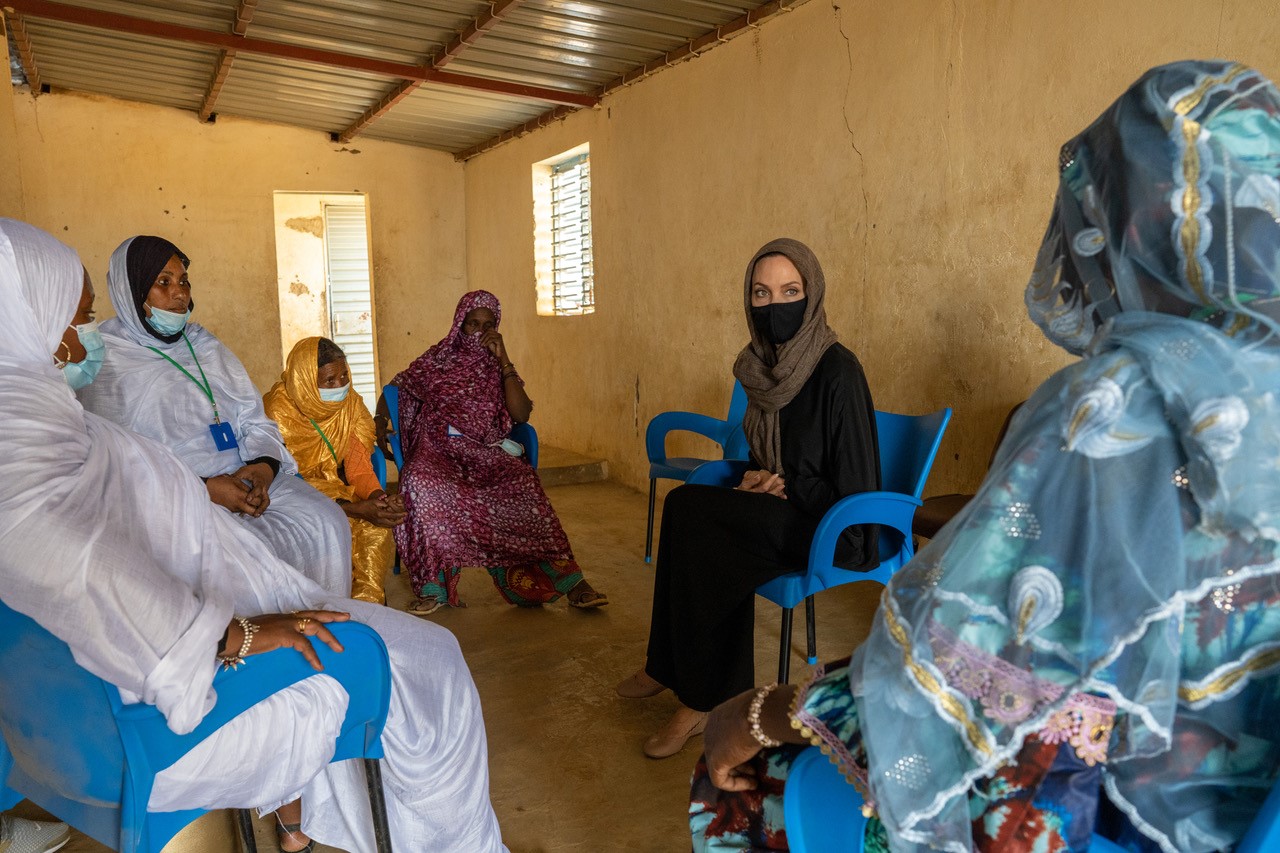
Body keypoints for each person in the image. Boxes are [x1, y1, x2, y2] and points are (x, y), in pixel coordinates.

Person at [689, 60, 1280, 852]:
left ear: (1130, 227)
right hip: (1243, 811)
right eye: (762, 292)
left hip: (1120, 812)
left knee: (739, 779)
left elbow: (955, 678)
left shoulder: (1112, 413)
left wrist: (765, 712)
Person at [0, 219, 506, 851]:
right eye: (76, 321)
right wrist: (240, 634)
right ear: (24, 322)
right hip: (153, 722)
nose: (83, 344)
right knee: (434, 664)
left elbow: (198, 450)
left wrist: (249, 473)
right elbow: (70, 561)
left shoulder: (32, 425)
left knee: (324, 538)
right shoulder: (27, 463)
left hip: (62, 720)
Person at [617, 238, 881, 759]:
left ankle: (707, 701)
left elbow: (856, 488)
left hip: (836, 526)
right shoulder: (763, 368)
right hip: (787, 506)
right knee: (685, 505)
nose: (774, 305)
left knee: (711, 533)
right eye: (761, 293)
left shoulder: (837, 371)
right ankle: (665, 663)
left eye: (790, 290)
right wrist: (760, 477)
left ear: (812, 293)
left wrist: (786, 484)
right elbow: (775, 460)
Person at [77, 236, 352, 597]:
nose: (180, 294)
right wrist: (202, 488)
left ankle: (325, 633)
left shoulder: (205, 345)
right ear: (133, 289)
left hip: (246, 478)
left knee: (327, 522)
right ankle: (254, 646)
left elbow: (254, 418)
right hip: (171, 495)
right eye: (164, 282)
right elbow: (114, 458)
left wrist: (263, 468)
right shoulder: (105, 357)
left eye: (184, 281)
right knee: (237, 555)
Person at [382, 290, 607, 615]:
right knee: (418, 482)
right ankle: (433, 586)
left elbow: (521, 415)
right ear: (460, 324)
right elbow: (399, 385)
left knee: (522, 483)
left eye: (488, 325)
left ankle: (572, 583)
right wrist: (379, 419)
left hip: (484, 453)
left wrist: (503, 359)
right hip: (438, 451)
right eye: (473, 323)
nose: (480, 331)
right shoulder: (438, 360)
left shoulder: (496, 367)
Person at [264, 337, 405, 604]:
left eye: (344, 376)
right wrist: (350, 509)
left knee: (374, 529)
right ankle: (328, 609)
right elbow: (283, 478)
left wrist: (377, 497)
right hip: (291, 497)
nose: (341, 386)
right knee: (328, 529)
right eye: (329, 380)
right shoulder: (277, 412)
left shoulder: (349, 405)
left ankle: (366, 611)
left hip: (337, 490)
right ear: (305, 379)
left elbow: (358, 466)